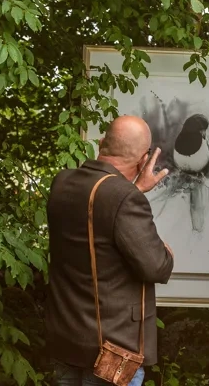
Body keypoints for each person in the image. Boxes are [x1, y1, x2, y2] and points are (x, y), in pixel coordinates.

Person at [45, 115, 175, 386]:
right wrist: (166, 252)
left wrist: (133, 189)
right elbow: (156, 266)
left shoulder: (62, 183)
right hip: (111, 352)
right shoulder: (125, 198)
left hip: (67, 343)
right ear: (142, 161)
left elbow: (99, 226)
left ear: (102, 143)